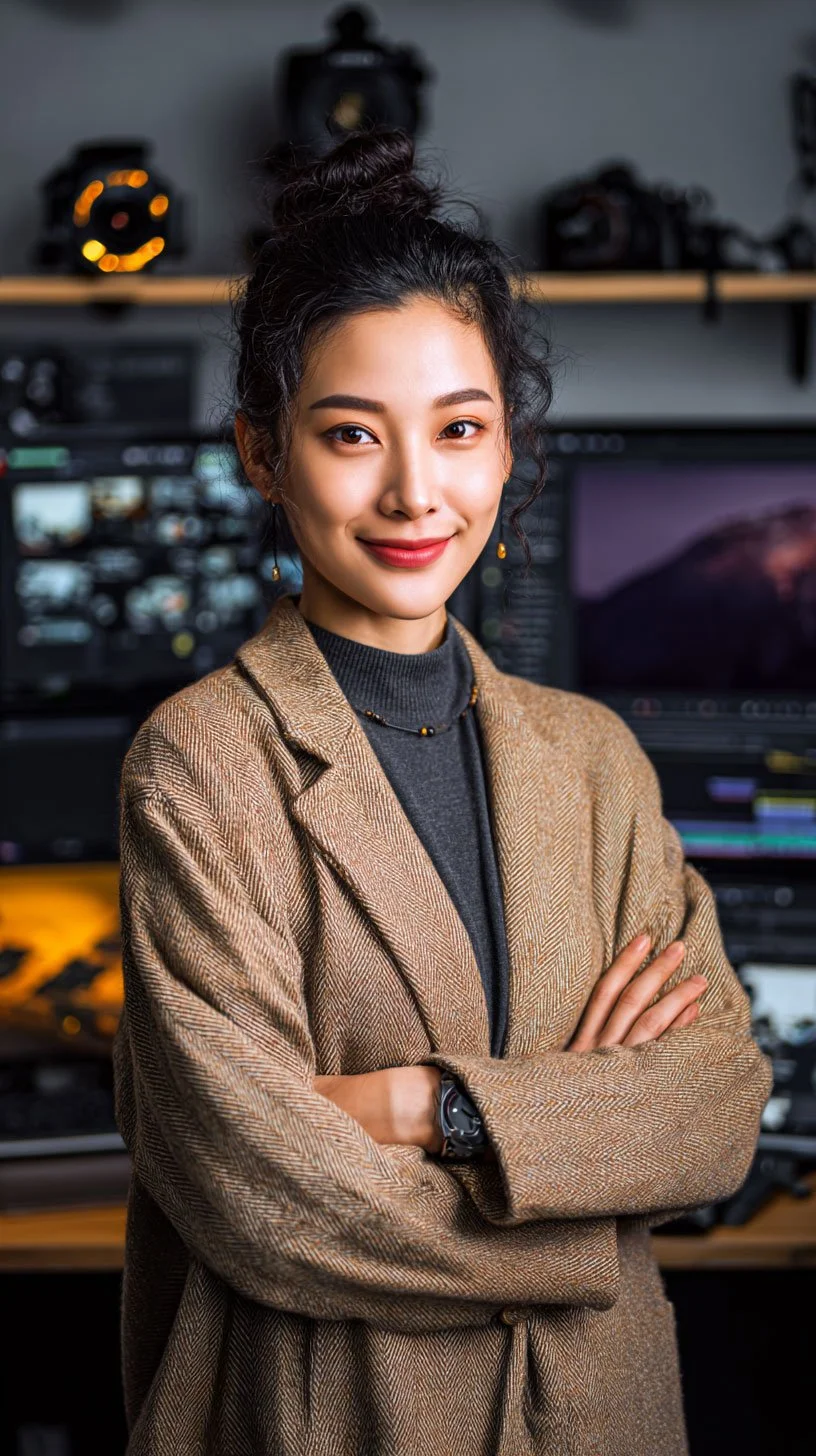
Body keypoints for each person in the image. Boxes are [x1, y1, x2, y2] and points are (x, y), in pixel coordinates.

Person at [112, 128, 773, 1456]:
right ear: (261, 450)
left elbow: (715, 1106)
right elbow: (271, 1200)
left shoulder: (594, 761)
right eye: (351, 435)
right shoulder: (199, 767)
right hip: (332, 1420)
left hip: (599, 1416)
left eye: (460, 430)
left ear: (508, 448)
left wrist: (431, 1106)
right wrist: (583, 1198)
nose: (416, 492)